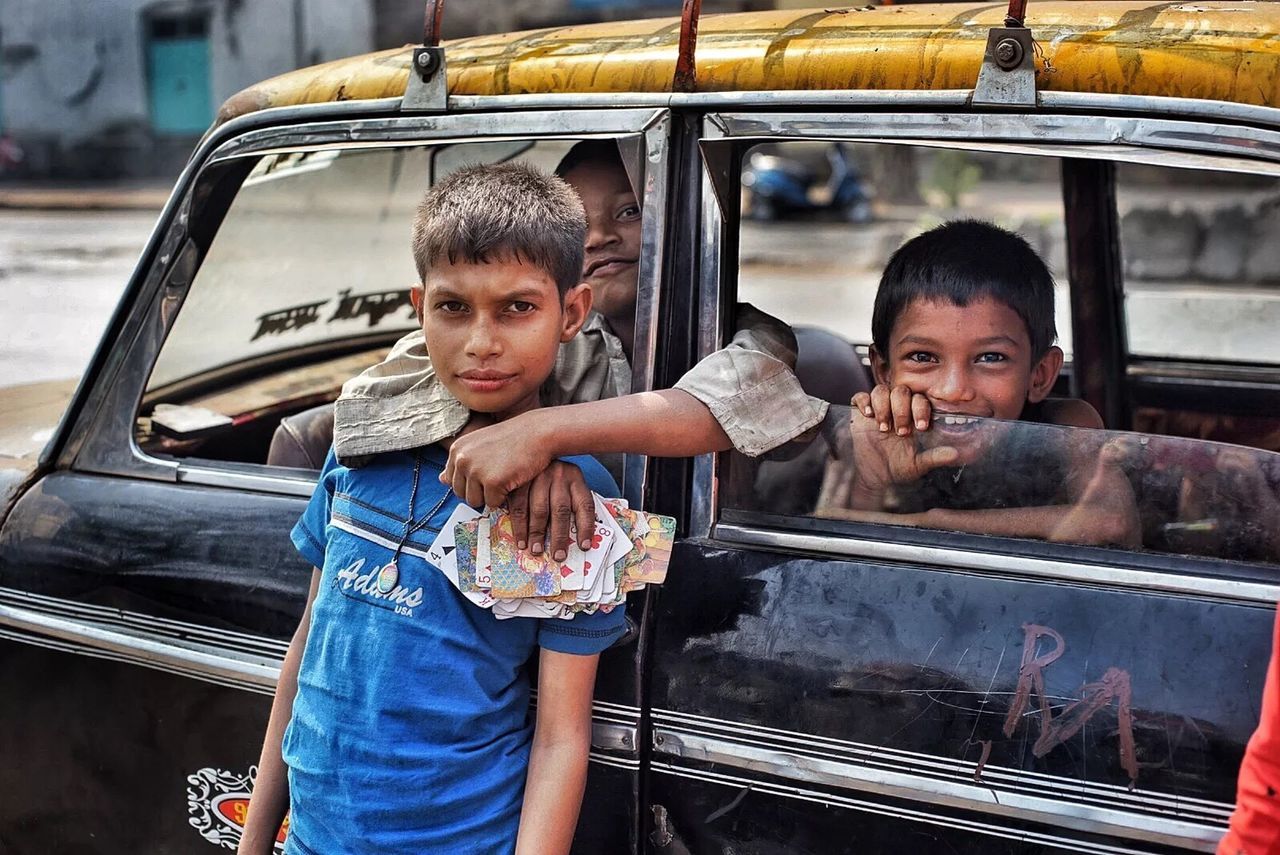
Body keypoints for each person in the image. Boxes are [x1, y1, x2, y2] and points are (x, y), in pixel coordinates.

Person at [238, 163, 627, 855]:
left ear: (571, 313)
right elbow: (307, 652)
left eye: (517, 307)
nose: (482, 341)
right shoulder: (360, 445)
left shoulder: (574, 503)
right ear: (420, 307)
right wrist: (255, 838)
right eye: (454, 307)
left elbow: (563, 735)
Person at [333, 139, 826, 558]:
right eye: (580, 226)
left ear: (681, 222)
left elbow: (724, 407)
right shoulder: (536, 329)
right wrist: (497, 438)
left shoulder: (748, 332)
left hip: (709, 565)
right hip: (565, 571)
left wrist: (540, 435)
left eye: (629, 212)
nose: (598, 238)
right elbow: (380, 390)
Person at [818, 220, 1140, 547]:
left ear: (1039, 374)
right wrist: (873, 483)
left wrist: (928, 523)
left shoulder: (1066, 427)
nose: (954, 390)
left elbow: (1110, 523)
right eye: (923, 357)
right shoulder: (872, 429)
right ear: (885, 372)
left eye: (990, 358)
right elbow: (830, 554)